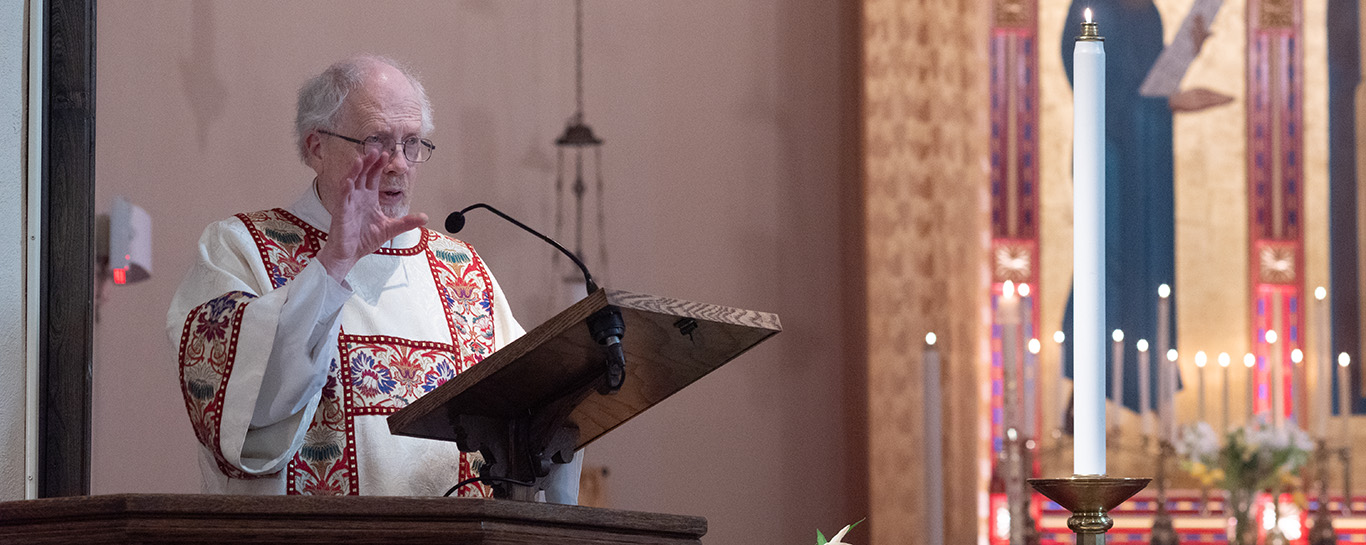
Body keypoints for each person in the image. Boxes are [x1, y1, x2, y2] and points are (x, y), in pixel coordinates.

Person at [167, 55, 579, 500]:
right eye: (377, 141)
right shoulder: (239, 249)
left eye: (413, 143)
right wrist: (334, 265)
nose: (399, 164)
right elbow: (244, 411)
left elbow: (535, 413)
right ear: (316, 147)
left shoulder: (463, 272)